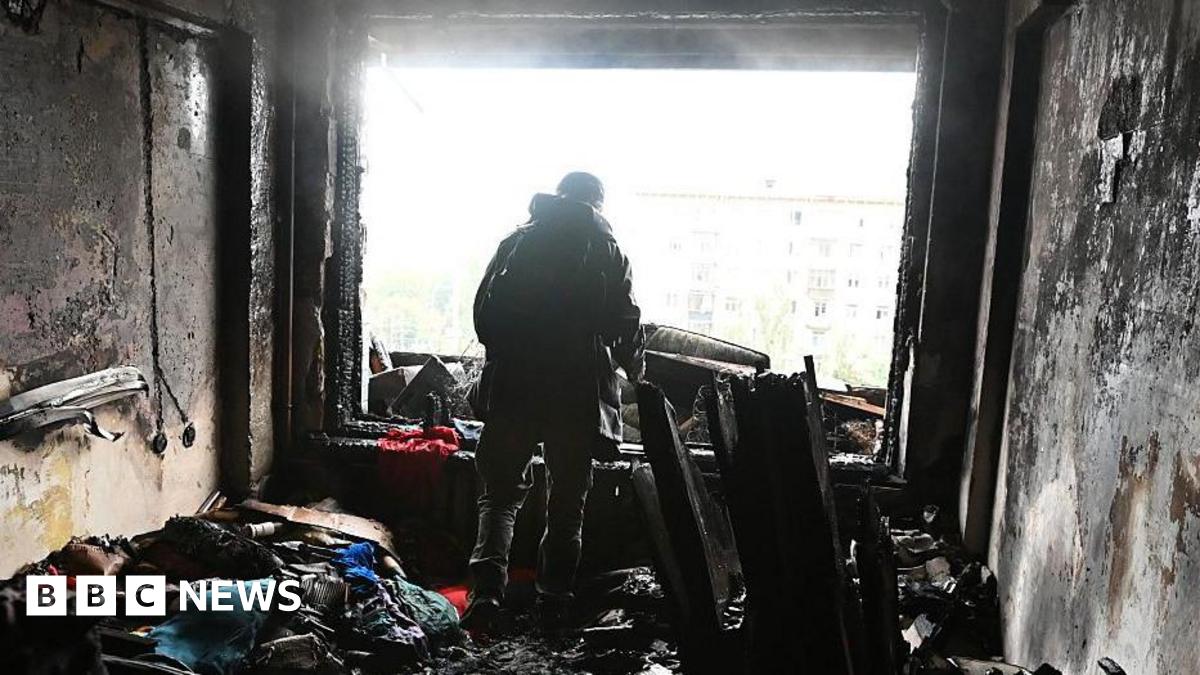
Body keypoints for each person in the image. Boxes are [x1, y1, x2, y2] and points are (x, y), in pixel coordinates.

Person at [463, 171, 645, 632]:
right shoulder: (608, 252)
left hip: (514, 390)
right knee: (567, 505)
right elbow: (625, 328)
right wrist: (638, 374)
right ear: (597, 204)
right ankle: (554, 603)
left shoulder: (517, 243)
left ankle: (485, 597)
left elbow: (484, 318)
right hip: (577, 398)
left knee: (499, 498)